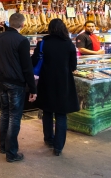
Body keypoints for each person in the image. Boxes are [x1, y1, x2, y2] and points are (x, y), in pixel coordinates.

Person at [0, 13, 37, 163]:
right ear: (22, 25)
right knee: (14, 116)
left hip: (1, 81)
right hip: (16, 83)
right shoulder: (22, 41)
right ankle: (11, 153)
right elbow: (27, 67)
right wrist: (33, 88)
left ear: (9, 23)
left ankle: (3, 146)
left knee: (4, 113)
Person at [31, 19, 79, 156]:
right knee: (61, 114)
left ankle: (48, 139)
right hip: (64, 82)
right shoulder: (69, 44)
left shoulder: (43, 43)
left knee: (47, 111)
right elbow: (73, 66)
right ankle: (58, 148)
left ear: (50, 29)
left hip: (46, 81)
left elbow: (34, 61)